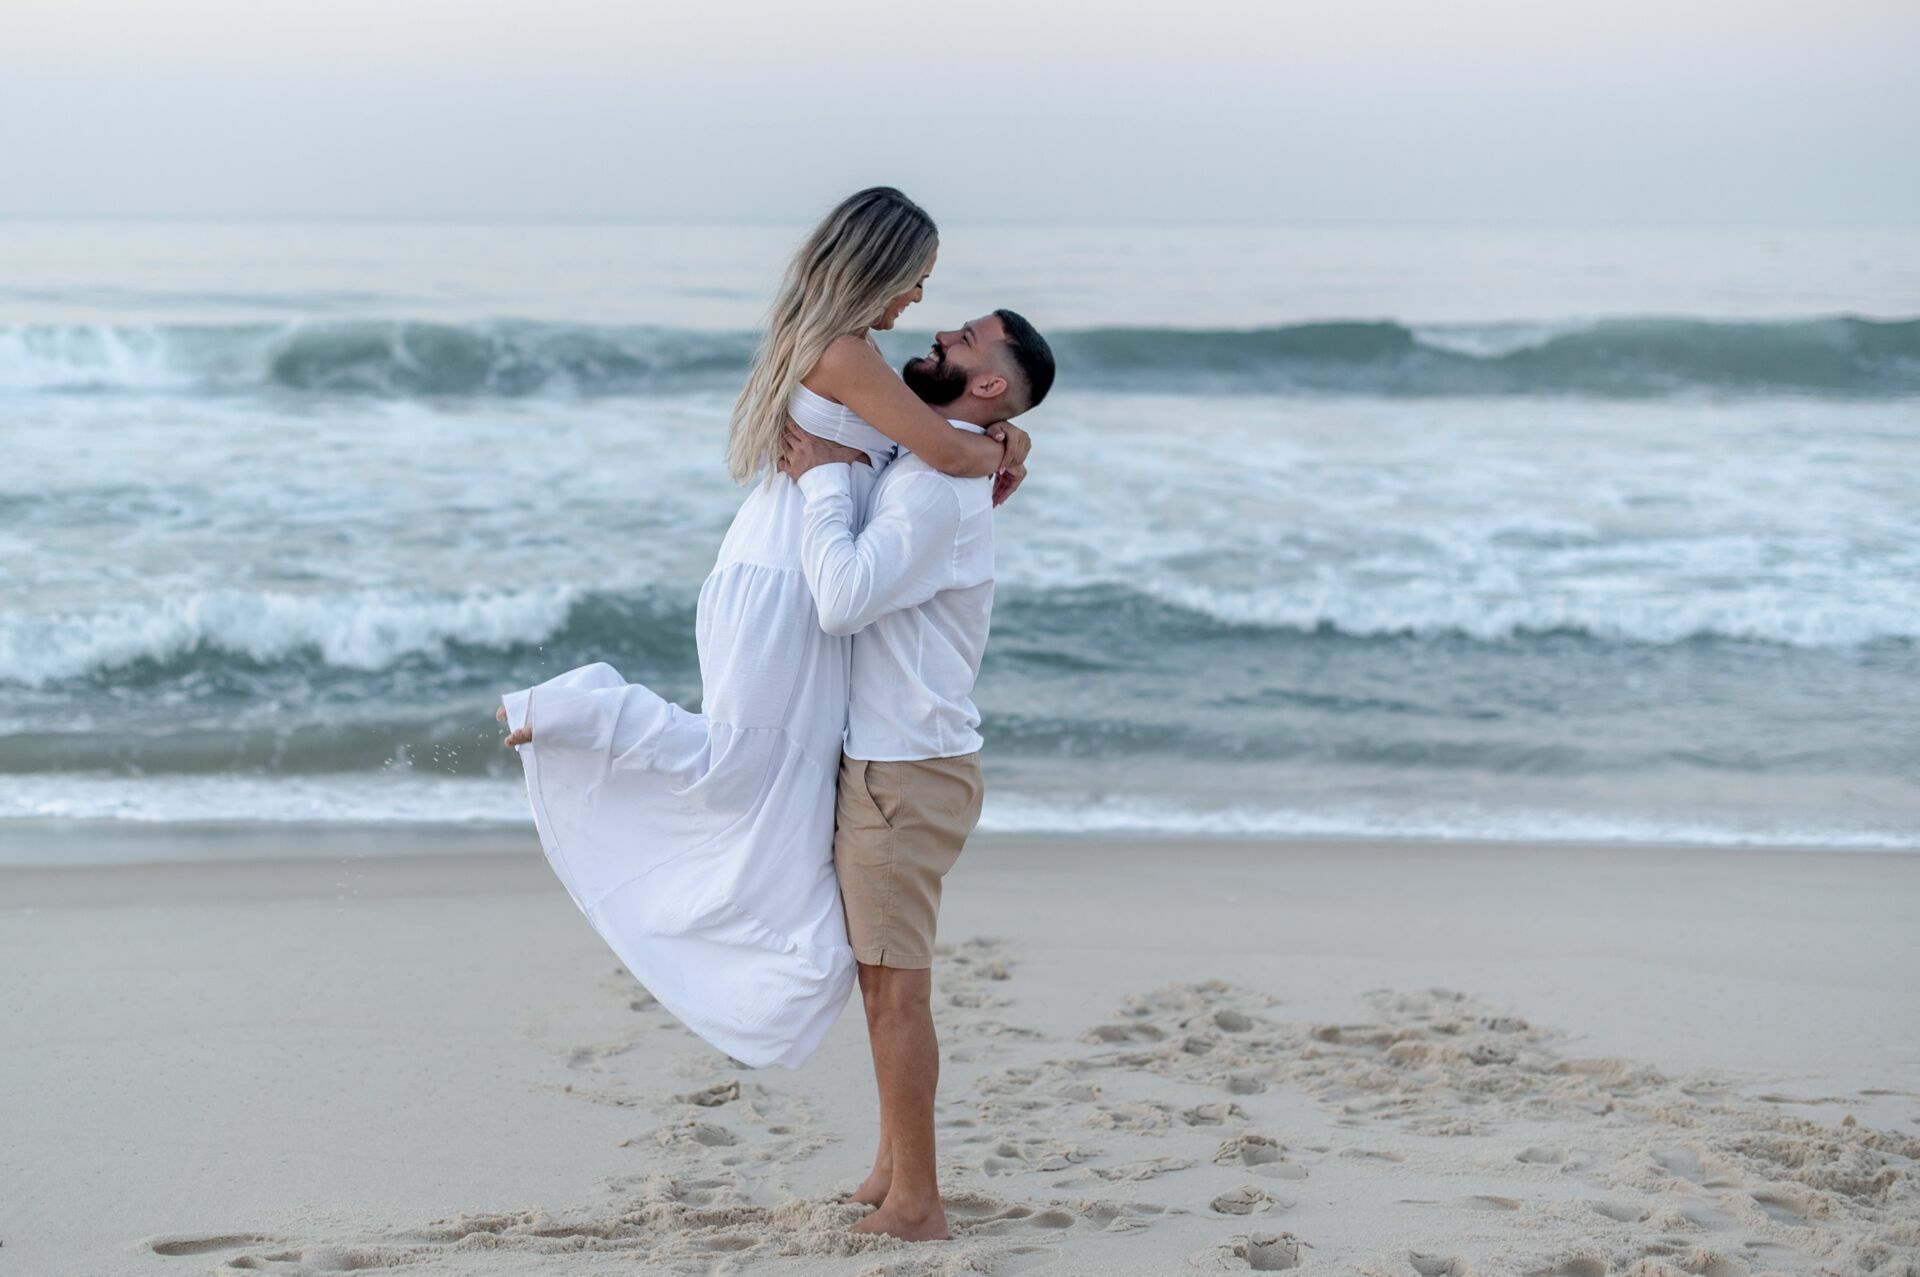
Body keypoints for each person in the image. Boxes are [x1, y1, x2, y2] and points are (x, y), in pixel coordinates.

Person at [495, 188, 1030, 1070]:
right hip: (785, 579)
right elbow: (943, 452)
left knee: (789, 788)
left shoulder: (852, 351)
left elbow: (931, 440)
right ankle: (584, 709)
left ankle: (785, 967)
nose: (919, 304)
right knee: (742, 762)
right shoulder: (843, 353)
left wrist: (1012, 441)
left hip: (804, 569)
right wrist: (1005, 449)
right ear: (879, 266)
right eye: (916, 280)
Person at [779, 309, 1056, 1240]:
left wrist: (820, 481)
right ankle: (892, 1169)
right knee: (879, 983)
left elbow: (842, 601)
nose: (940, 334)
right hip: (907, 758)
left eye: (964, 340)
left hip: (906, 770)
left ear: (987, 386)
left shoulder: (938, 488)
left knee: (898, 991)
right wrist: (1001, 447)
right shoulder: (944, 462)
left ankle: (918, 1204)